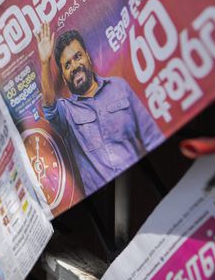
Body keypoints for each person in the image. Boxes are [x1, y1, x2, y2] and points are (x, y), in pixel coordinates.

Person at [35, 23, 162, 195]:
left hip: (143, 180)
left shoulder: (119, 87)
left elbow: (152, 136)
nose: (74, 66)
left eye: (78, 56)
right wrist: (45, 63)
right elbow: (49, 108)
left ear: (88, 57)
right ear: (64, 79)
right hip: (106, 199)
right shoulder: (66, 113)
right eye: (67, 65)